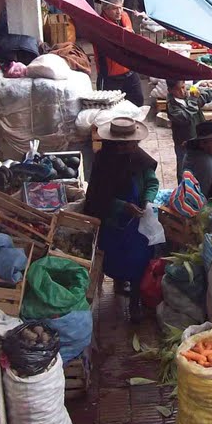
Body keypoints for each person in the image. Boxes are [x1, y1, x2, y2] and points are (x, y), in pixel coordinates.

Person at [85, 117, 159, 322]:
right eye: (124, 144)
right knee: (114, 259)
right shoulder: (103, 161)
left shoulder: (140, 160)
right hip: (112, 223)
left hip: (137, 225)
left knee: (139, 261)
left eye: (132, 143)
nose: (129, 147)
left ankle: (135, 302)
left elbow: (152, 183)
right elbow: (97, 196)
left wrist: (147, 201)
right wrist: (122, 206)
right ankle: (119, 280)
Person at [96, 0, 144, 107]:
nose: (119, 12)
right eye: (114, 8)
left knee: (138, 101)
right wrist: (125, 33)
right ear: (105, 9)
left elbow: (129, 33)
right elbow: (115, 35)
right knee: (109, 108)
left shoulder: (124, 16)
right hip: (110, 76)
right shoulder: (99, 24)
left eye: (121, 8)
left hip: (129, 71)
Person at [167, 79, 212, 179]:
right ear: (170, 90)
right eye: (177, 90)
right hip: (184, 143)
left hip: (199, 139)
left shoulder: (190, 93)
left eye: (183, 87)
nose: (182, 92)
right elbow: (185, 116)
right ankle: (183, 192)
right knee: (184, 171)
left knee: (203, 167)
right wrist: (193, 100)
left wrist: (200, 92)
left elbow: (210, 94)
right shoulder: (172, 106)